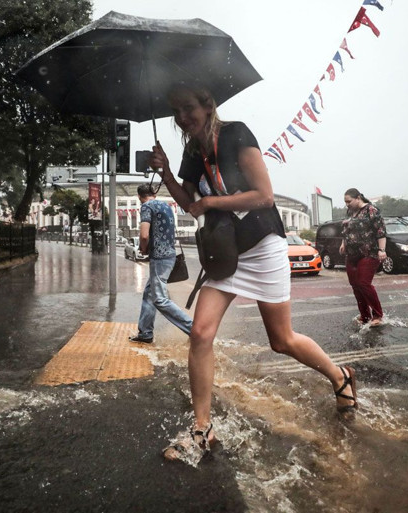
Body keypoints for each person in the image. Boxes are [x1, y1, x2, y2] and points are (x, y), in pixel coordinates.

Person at [149, 84, 358, 464]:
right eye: (176, 111)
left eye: (188, 108)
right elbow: (191, 207)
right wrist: (165, 174)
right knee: (200, 332)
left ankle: (340, 376)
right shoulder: (192, 152)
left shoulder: (236, 134)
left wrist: (212, 201)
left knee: (282, 340)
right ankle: (202, 427)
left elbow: (264, 195)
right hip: (226, 254)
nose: (182, 118)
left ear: (207, 104)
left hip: (263, 247)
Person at [128, 183, 193, 344]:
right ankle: (145, 333)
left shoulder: (146, 207)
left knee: (160, 299)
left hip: (159, 257)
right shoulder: (166, 206)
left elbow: (144, 235)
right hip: (170, 255)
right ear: (154, 194)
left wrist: (143, 249)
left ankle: (194, 328)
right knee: (149, 294)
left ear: (139, 196)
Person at [339, 188, 386, 327]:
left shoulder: (371, 210)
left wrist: (382, 250)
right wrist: (343, 243)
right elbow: (346, 230)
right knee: (355, 285)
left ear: (358, 197)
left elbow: (381, 231)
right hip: (352, 254)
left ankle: (378, 315)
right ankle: (365, 315)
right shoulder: (350, 211)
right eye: (345, 202)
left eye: (349, 201)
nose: (347, 204)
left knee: (363, 283)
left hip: (368, 253)